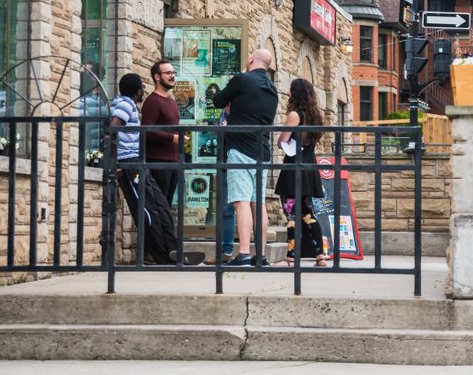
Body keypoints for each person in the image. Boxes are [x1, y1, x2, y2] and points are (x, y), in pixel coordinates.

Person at [109, 72, 201, 266]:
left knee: (161, 206)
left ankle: (174, 250)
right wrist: (113, 163)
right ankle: (163, 256)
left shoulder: (127, 103)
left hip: (137, 163)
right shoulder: (125, 104)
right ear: (138, 90)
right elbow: (112, 129)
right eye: (142, 87)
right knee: (148, 210)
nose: (144, 91)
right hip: (128, 163)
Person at [212, 48, 278, 267]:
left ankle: (243, 255)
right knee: (258, 203)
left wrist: (240, 76)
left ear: (251, 59)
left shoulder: (242, 79)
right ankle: (260, 255)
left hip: (240, 148)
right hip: (263, 151)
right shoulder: (272, 88)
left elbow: (218, 100)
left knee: (241, 203)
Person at [272, 78, 328, 267]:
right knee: (308, 214)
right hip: (309, 167)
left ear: (295, 93)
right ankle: (320, 255)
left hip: (293, 168)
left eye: (290, 90)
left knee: (291, 214)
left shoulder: (295, 115)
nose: (288, 93)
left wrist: (282, 141)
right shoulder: (316, 116)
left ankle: (290, 257)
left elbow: (282, 140)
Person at [142, 60, 181, 205]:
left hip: (174, 161)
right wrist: (172, 139)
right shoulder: (153, 102)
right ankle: (156, 229)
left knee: (167, 205)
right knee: (159, 206)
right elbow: (147, 130)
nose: (172, 76)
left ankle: (165, 229)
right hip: (158, 162)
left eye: (173, 73)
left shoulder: (171, 101)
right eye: (168, 73)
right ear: (157, 77)